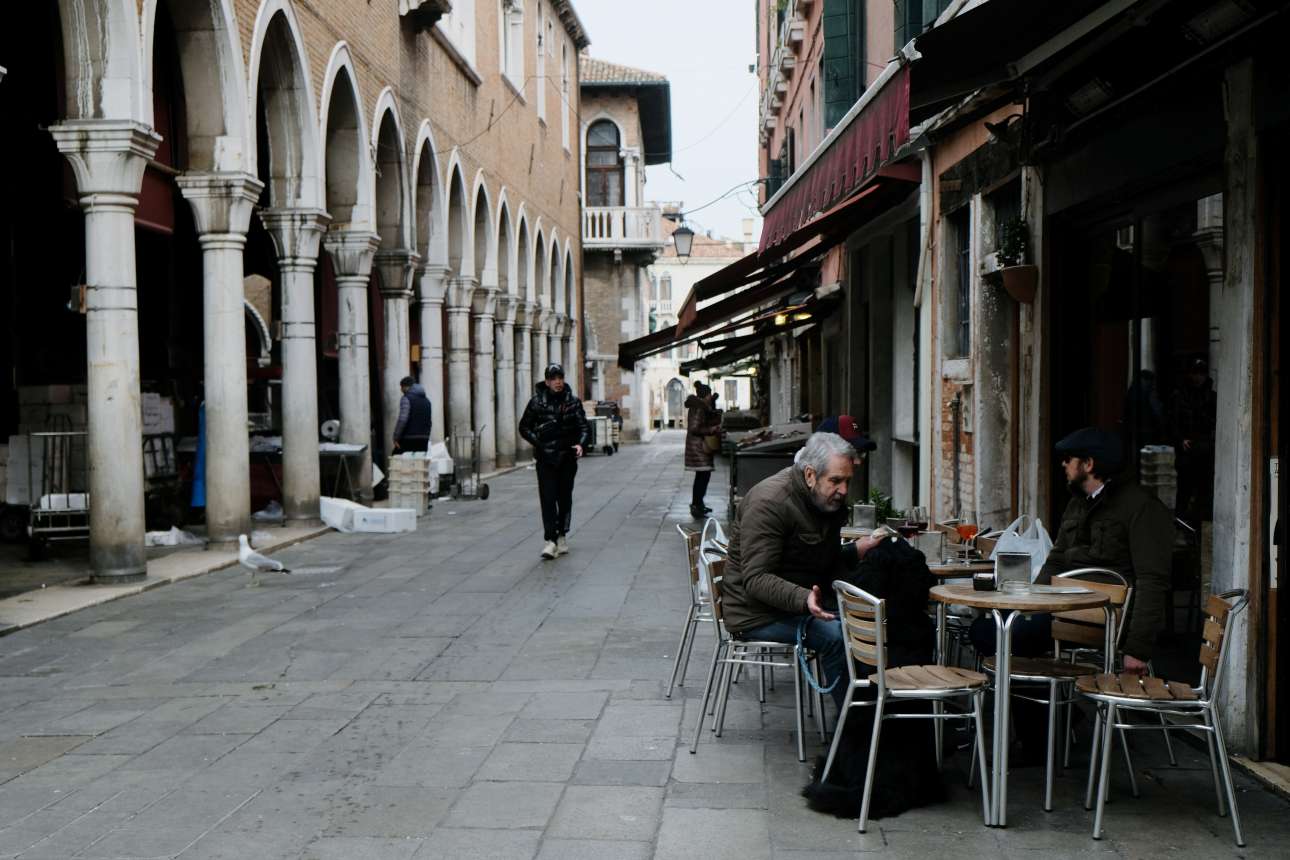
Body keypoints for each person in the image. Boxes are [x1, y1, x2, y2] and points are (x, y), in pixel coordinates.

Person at [969, 426, 1174, 757]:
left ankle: (1043, 738)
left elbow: (1153, 581)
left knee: (1011, 637)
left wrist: (1138, 647)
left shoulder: (1141, 507)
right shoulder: (1078, 503)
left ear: (1089, 464)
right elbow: (1056, 560)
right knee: (988, 629)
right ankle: (1056, 720)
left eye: (1069, 460)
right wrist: (1026, 602)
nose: (1064, 466)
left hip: (1106, 622)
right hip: (1062, 611)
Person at [722, 432, 866, 713]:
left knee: (876, 621)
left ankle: (882, 713)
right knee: (837, 636)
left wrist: (856, 552)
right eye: (836, 481)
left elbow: (820, 559)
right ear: (810, 475)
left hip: (800, 601)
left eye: (848, 481)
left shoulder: (823, 501)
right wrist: (804, 599)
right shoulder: (771, 502)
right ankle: (853, 729)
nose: (844, 490)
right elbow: (756, 579)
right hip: (757, 613)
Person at [518, 363, 591, 560]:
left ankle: (561, 535)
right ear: (547, 381)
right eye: (554, 378)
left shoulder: (573, 402)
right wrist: (539, 442)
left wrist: (581, 444)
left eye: (560, 377)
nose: (558, 382)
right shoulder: (536, 403)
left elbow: (584, 427)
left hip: (567, 457)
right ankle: (550, 540)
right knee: (548, 498)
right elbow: (524, 427)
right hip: (546, 458)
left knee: (564, 497)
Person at [1170, 357, 1217, 523]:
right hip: (1187, 452)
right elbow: (1172, 422)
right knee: (1184, 490)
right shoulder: (1180, 396)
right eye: (1195, 373)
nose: (1198, 377)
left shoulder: (1212, 397)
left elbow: (1216, 423)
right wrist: (1180, 439)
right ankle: (1182, 526)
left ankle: (1197, 527)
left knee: (1203, 492)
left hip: (1205, 450)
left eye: (1201, 374)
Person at [684, 382, 722, 519]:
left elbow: (707, 420)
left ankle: (698, 504)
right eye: (709, 394)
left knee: (702, 477)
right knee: (702, 477)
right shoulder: (698, 408)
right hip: (698, 447)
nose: (710, 396)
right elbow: (694, 428)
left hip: (699, 446)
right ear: (705, 395)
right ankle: (696, 505)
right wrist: (710, 430)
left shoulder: (701, 407)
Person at [391, 376, 433, 454]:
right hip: (424, 439)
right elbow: (429, 422)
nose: (401, 390)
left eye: (402, 387)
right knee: (419, 463)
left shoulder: (406, 398)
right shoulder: (427, 401)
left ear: (406, 387)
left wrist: (396, 437)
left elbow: (403, 419)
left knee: (397, 459)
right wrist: (426, 435)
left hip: (408, 438)